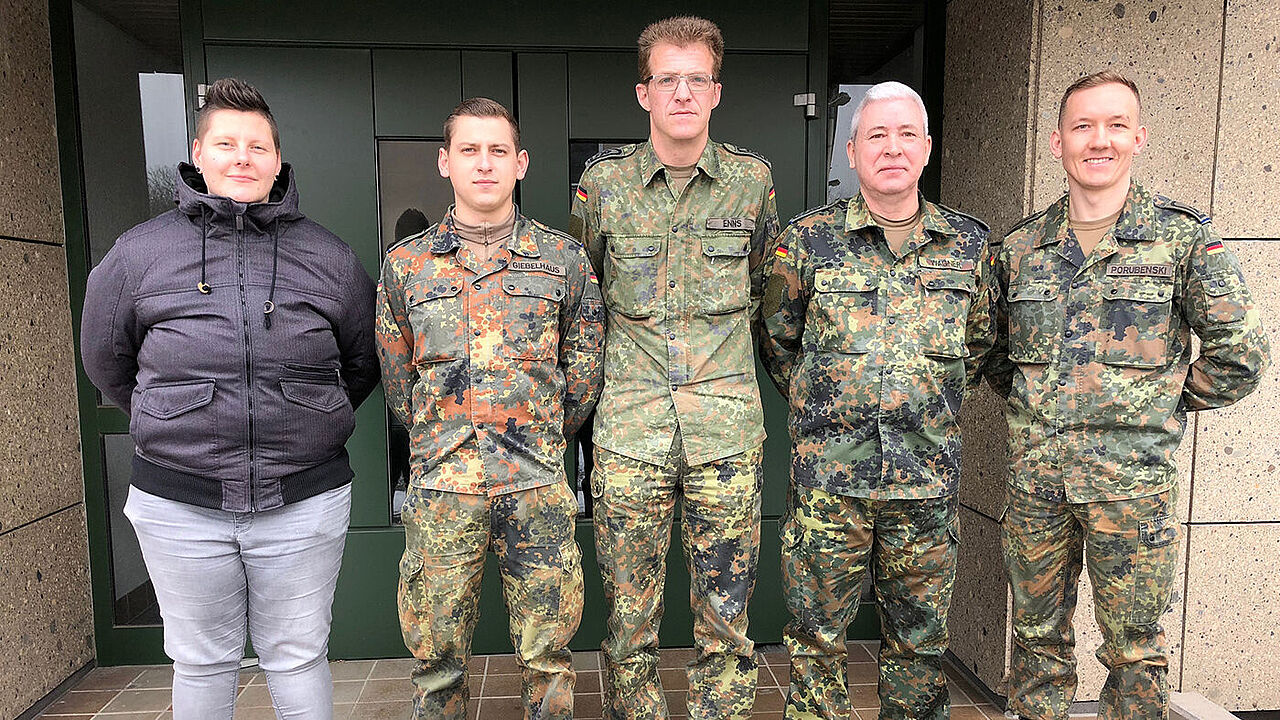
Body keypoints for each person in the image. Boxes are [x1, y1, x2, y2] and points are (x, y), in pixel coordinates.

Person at [80, 77, 378, 720]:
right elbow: (107, 363)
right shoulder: (139, 255)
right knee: (202, 661)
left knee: (297, 656)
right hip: (179, 502)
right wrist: (170, 416)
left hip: (302, 498)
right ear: (198, 153)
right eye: (226, 143)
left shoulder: (329, 258)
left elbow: (360, 364)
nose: (242, 157)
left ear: (277, 160)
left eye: (257, 146)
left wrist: (306, 420)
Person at [985, 70, 1270, 720]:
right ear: (1057, 141)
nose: (1099, 139)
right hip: (1037, 493)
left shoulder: (1182, 237)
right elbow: (999, 359)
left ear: (1138, 137)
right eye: (1083, 125)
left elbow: (1242, 356)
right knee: (1034, 647)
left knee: (1135, 653)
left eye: (1115, 124)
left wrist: (1157, 406)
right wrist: (1049, 409)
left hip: (1132, 490)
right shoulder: (1022, 247)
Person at [760, 80, 996, 720]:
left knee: (919, 647)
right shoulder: (806, 243)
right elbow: (780, 343)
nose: (892, 148)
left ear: (926, 148)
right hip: (828, 487)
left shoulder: (971, 249)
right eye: (876, 136)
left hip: (925, 487)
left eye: (906, 135)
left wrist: (919, 402)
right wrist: (832, 409)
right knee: (815, 646)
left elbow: (977, 348)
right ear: (851, 151)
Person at [568, 15, 781, 719]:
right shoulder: (604, 186)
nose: (682, 93)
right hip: (630, 436)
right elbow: (585, 298)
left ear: (716, 92)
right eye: (668, 80)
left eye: (697, 79)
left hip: (725, 436)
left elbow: (766, 297)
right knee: (629, 625)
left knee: (726, 622)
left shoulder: (752, 184)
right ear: (643, 93)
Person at [377, 97, 604, 720]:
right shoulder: (407, 265)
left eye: (498, 150)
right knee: (436, 661)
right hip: (443, 486)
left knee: (549, 658)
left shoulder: (563, 261)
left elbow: (583, 373)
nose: (485, 164)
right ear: (444, 162)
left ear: (521, 163)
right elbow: (399, 379)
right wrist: (443, 436)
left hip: (536, 482)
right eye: (469, 151)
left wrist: (540, 433)